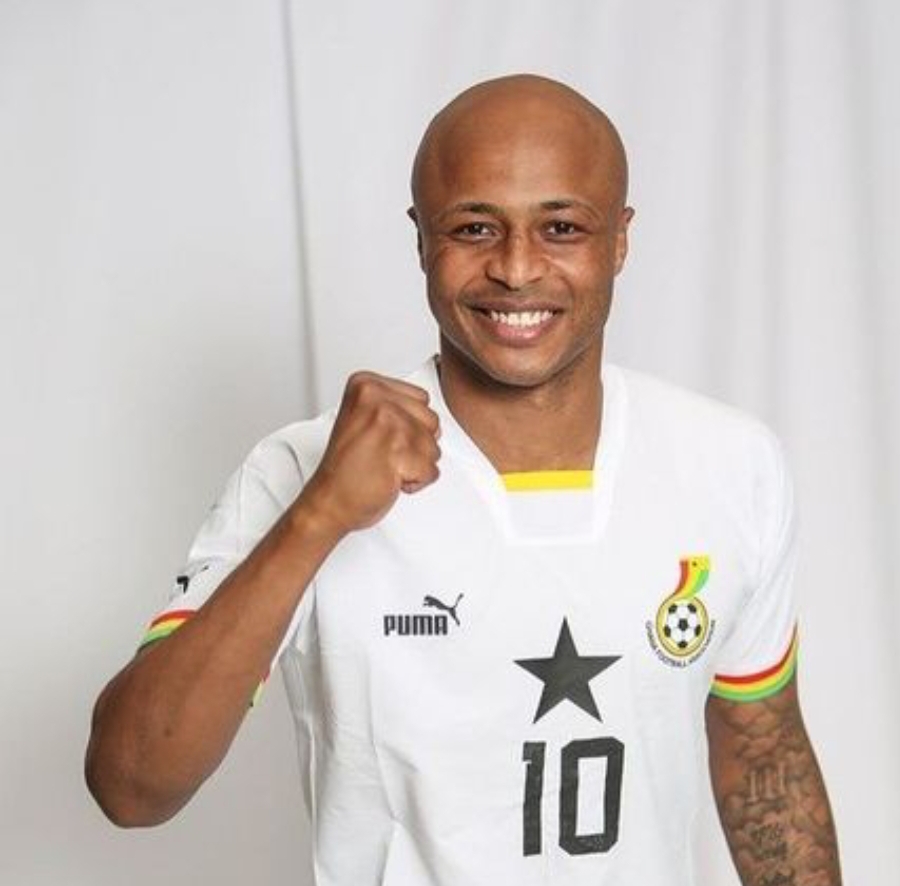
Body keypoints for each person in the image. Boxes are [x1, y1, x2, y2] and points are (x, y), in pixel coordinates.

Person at [86, 73, 842, 885]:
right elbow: (132, 787)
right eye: (474, 228)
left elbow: (762, 750)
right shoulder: (301, 470)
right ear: (422, 240)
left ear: (618, 239)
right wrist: (318, 516)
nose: (515, 269)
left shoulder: (729, 463)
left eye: (560, 227)